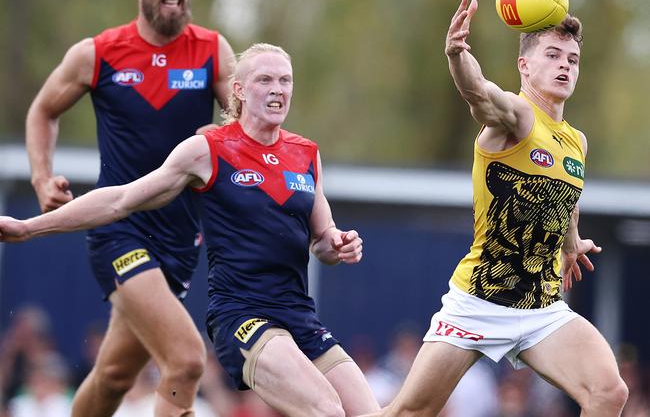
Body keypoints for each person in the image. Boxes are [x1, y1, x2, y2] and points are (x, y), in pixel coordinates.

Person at [1, 43, 380, 417]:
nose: (277, 89)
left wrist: (339, 244)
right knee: (326, 410)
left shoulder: (305, 153)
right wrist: (28, 228)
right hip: (244, 317)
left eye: (285, 80)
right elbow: (120, 199)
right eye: (264, 79)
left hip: (300, 316)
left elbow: (323, 239)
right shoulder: (208, 150)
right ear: (239, 90)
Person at [365, 0, 629, 416]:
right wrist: (457, 56)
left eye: (573, 59)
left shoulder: (576, 140)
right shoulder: (518, 115)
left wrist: (571, 241)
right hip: (479, 301)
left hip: (541, 306)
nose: (565, 66)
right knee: (409, 411)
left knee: (609, 392)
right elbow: (479, 95)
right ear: (525, 66)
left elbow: (565, 195)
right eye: (553, 55)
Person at [24, 0, 235, 417]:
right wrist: (41, 177)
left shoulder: (212, 51)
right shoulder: (97, 54)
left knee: (114, 376)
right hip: (118, 228)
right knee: (185, 358)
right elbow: (42, 111)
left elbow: (249, 128)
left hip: (182, 238)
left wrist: (222, 132)